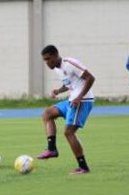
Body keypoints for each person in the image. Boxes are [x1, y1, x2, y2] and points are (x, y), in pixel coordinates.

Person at [37, 45, 95, 175]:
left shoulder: (69, 63)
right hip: (72, 99)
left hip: (82, 101)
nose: (47, 63)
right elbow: (70, 84)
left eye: (48, 59)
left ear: (55, 55)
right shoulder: (57, 69)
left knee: (69, 132)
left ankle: (83, 167)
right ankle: (52, 149)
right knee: (47, 113)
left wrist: (80, 97)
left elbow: (91, 78)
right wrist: (59, 90)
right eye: (44, 60)